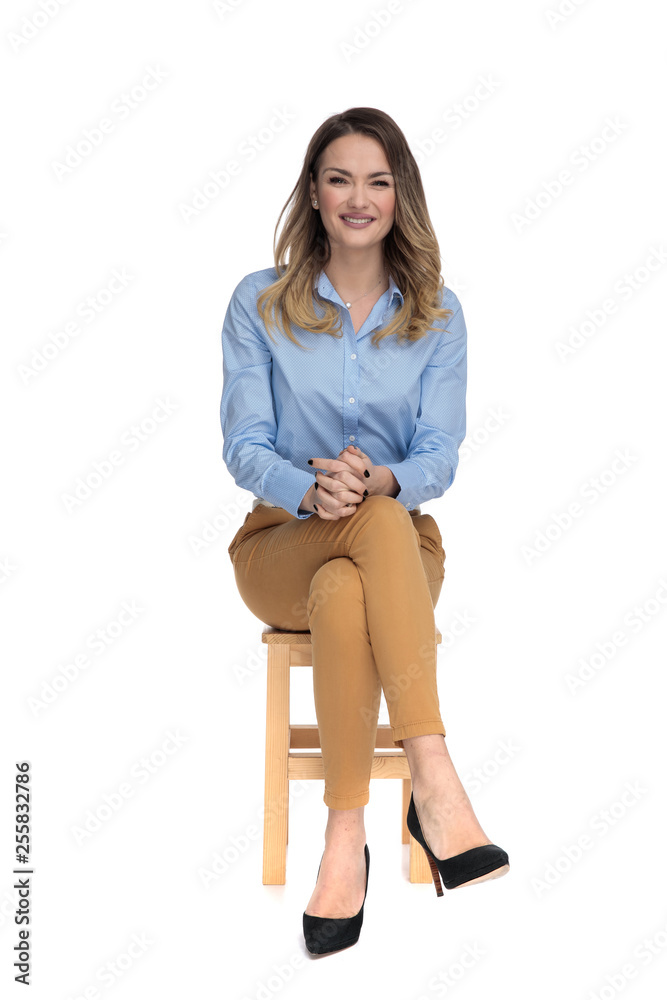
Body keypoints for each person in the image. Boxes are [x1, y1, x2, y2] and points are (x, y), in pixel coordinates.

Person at [220, 107, 509, 955]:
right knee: (350, 543)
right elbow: (243, 446)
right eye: (340, 178)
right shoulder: (258, 302)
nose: (358, 198)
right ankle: (435, 779)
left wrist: (378, 480)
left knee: (358, 569)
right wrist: (311, 489)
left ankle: (342, 842)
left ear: (399, 195)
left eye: (377, 181)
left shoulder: (437, 314)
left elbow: (437, 456)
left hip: (396, 548)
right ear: (313, 193)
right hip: (280, 538)